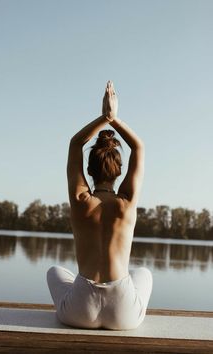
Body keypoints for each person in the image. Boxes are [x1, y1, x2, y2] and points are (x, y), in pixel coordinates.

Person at [47, 81, 152, 330]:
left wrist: (103, 118)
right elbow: (138, 146)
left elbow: (75, 144)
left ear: (89, 170)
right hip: (122, 313)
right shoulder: (126, 202)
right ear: (119, 172)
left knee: (54, 271)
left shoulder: (81, 200)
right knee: (144, 273)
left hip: (80, 311)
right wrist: (114, 119)